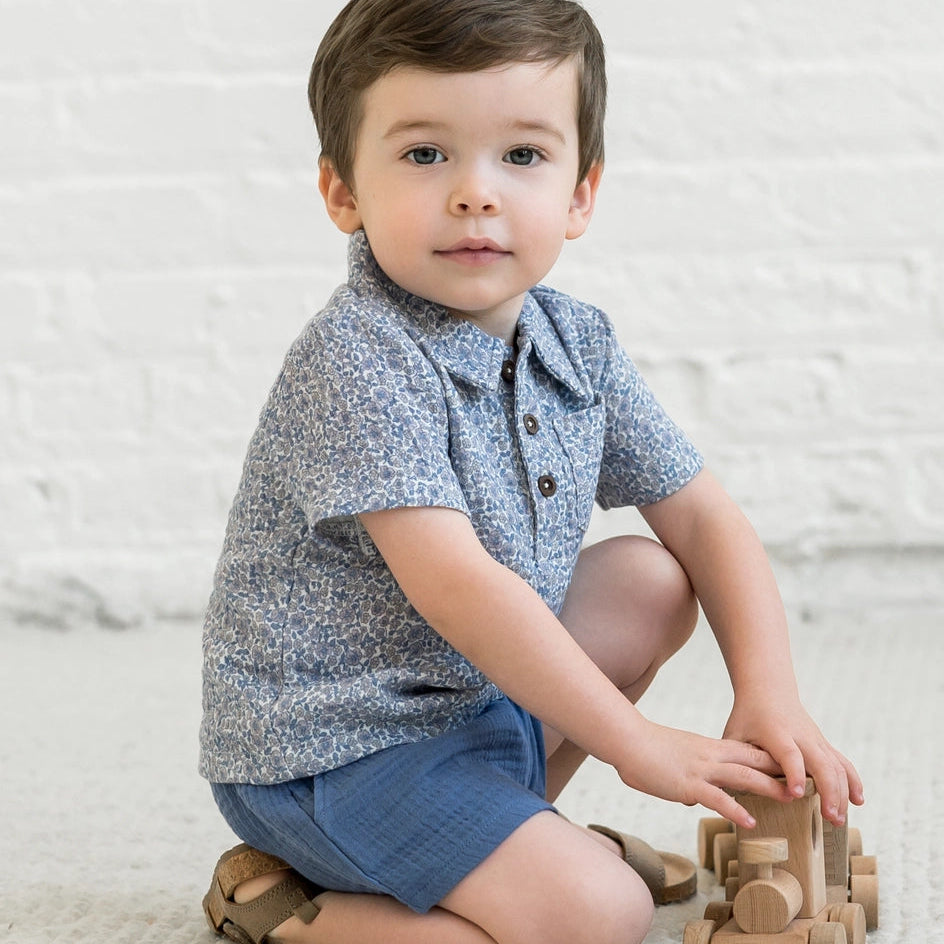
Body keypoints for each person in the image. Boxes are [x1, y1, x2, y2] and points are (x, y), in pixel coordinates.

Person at [199, 2, 864, 943]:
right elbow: (458, 587)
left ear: (581, 193)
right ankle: (287, 907)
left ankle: (515, 832)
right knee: (601, 915)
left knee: (650, 577)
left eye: (521, 155)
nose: (477, 194)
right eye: (425, 154)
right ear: (343, 191)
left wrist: (769, 692)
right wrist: (635, 745)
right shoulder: (357, 358)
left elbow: (704, 517)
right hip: (338, 752)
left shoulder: (573, 341)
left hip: (468, 707)